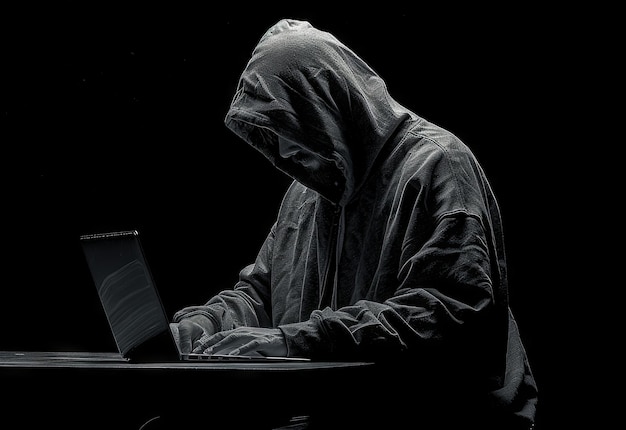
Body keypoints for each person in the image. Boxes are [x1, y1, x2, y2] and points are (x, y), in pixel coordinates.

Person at [170, 18, 538, 429]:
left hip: (437, 418)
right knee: (171, 427)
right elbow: (261, 293)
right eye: (276, 132)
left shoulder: (437, 164)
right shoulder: (304, 193)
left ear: (332, 102)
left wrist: (297, 339)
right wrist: (204, 323)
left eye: (295, 123)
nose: (286, 147)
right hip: (338, 410)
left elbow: (449, 310)